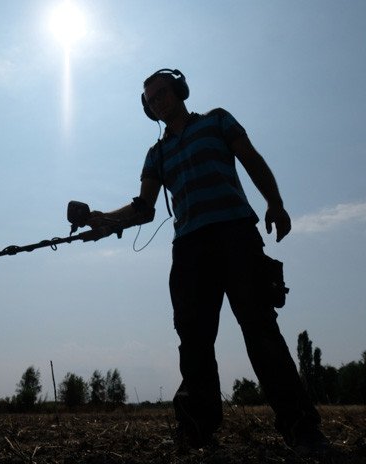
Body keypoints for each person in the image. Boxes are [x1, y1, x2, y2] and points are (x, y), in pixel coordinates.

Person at [84, 68, 329, 454]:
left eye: (163, 92)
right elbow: (144, 208)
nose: (158, 101)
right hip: (190, 250)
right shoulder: (157, 154)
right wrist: (103, 221)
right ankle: (196, 431)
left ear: (180, 91)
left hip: (236, 236)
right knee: (194, 342)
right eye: (151, 100)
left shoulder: (217, 119)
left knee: (260, 330)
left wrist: (275, 202)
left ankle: (302, 429)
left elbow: (251, 159)